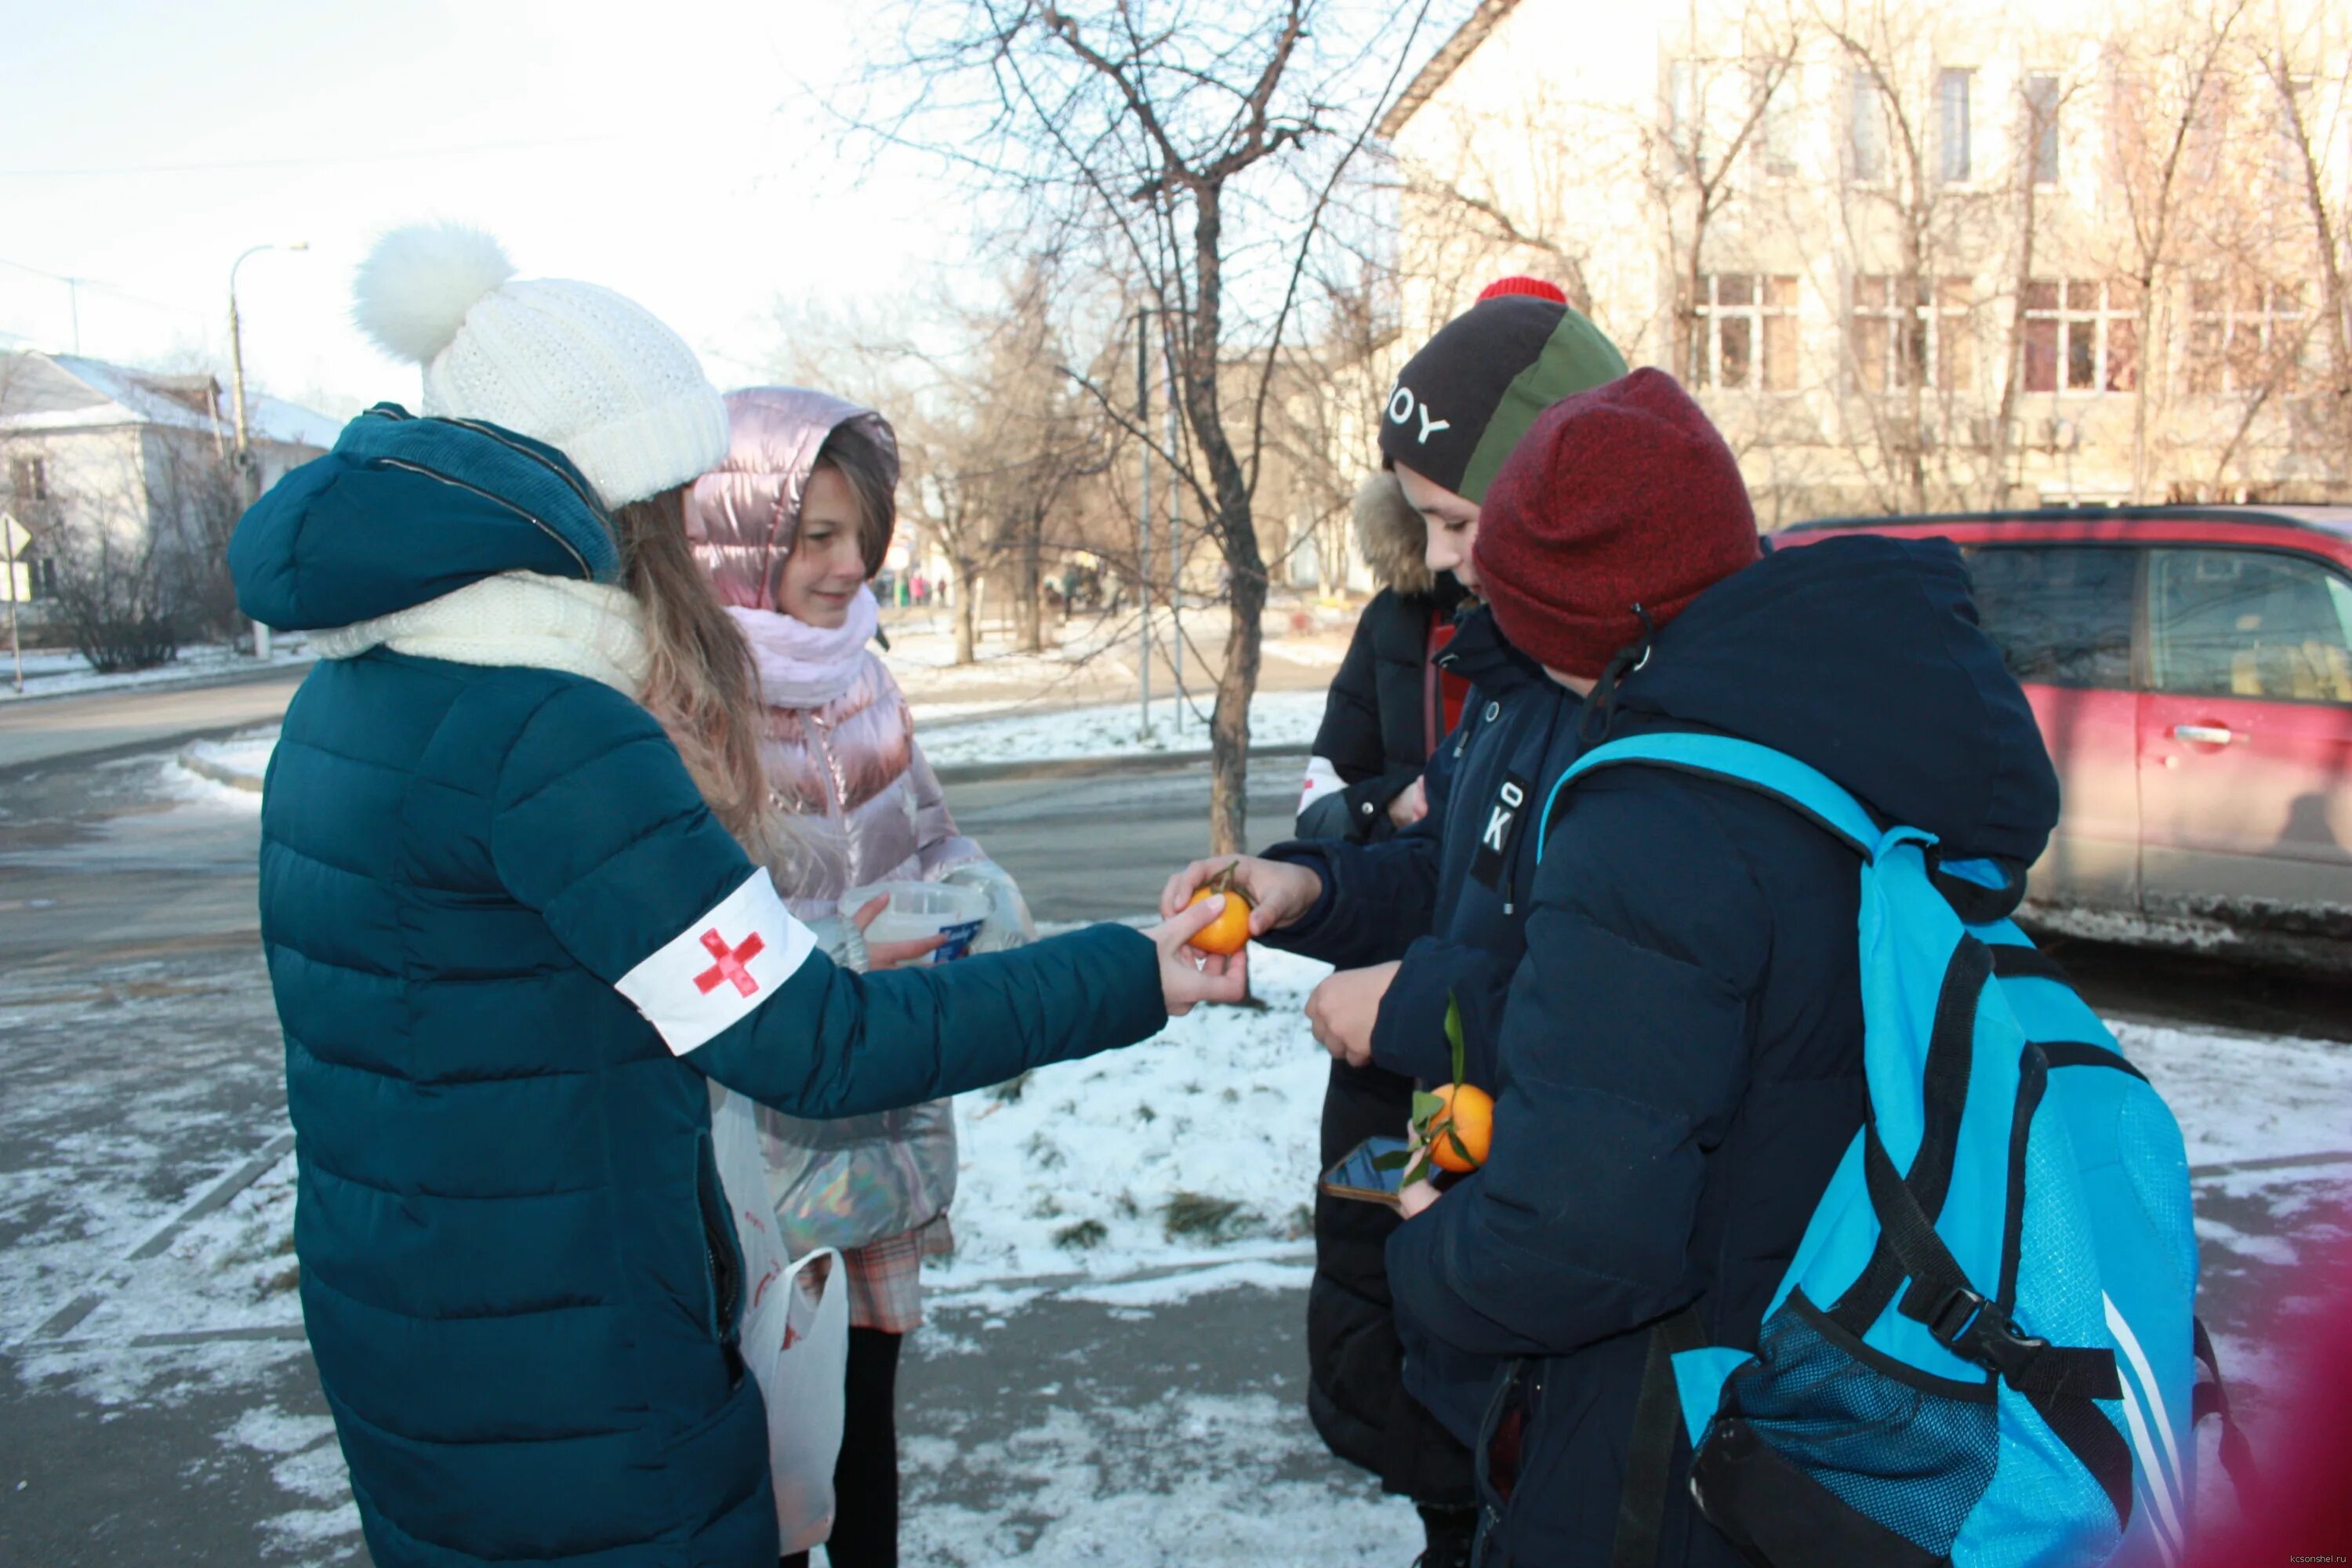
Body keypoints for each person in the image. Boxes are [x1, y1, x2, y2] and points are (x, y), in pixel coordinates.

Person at [227, 223, 1244, 1568]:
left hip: (420, 1354)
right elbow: (819, 1042)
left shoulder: (343, 706)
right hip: (579, 1387)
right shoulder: (551, 737)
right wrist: (1136, 968)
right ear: (620, 494)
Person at [1377, 368, 2058, 1563]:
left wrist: (1425, 1249)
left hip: (1681, 1436)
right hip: (1855, 1383)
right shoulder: (1848, 733)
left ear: (1587, 622)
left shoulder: (1656, 815)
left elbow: (1575, 1240)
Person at [1170, 278, 1628, 1567]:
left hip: (1576, 1280)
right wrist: (1308, 889)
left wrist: (1419, 1009)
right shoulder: (1516, 675)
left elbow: (1636, 1002)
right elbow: (1446, 868)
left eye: (1456, 521)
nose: (1434, 561)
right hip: (1477, 1213)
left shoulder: (1634, 704)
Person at [681, 386, 1029, 1568]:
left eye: (859, 537)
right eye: (814, 537)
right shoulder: (690, 706)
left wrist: (974, 895)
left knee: (864, 1419)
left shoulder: (863, 676)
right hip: (760, 1149)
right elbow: (693, 938)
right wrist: (833, 954)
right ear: (739, 542)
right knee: (770, 1434)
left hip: (879, 1121)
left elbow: (932, 836)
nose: (847, 567)